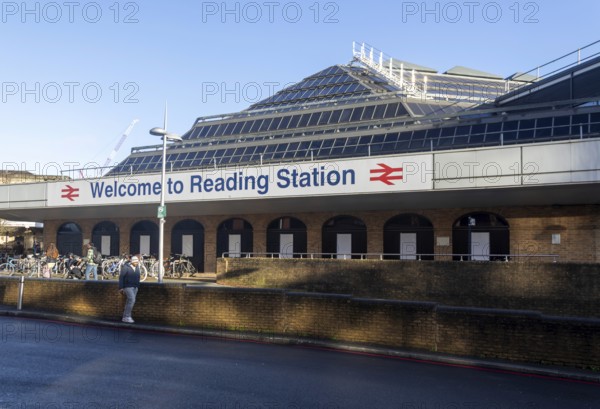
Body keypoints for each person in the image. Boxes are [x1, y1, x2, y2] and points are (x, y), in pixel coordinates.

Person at [119, 255, 141, 323]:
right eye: (135, 262)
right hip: (127, 286)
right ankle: (127, 316)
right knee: (132, 300)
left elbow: (138, 276)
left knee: (130, 301)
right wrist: (121, 287)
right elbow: (121, 277)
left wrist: (137, 285)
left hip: (135, 286)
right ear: (132, 262)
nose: (136, 263)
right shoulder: (126, 267)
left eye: (137, 262)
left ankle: (126, 316)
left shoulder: (137, 267)